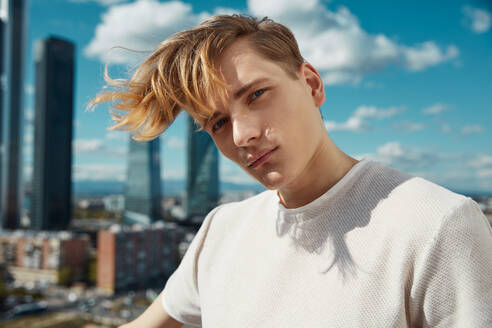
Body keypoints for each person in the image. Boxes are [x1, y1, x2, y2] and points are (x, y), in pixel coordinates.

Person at [90, 15, 492, 328]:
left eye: (256, 94)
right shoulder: (222, 229)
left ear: (312, 84)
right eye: (218, 124)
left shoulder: (438, 224)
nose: (242, 135)